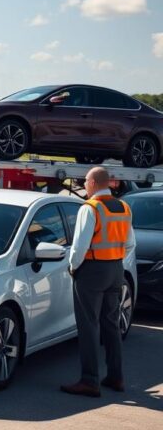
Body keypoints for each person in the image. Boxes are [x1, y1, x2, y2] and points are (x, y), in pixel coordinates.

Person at [60, 166, 136, 397]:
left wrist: (73, 267)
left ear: (93, 183)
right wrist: (115, 261)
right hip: (115, 269)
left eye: (85, 181)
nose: (84, 184)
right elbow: (131, 242)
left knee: (88, 325)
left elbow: (79, 246)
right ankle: (116, 376)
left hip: (92, 270)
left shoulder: (90, 208)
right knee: (111, 324)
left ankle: (89, 380)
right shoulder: (124, 207)